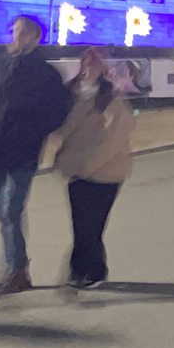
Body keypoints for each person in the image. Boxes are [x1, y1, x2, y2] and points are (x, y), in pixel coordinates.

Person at [0, 15, 72, 297]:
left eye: (23, 33)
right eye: (15, 31)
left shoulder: (45, 74)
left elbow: (58, 111)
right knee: (2, 211)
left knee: (11, 210)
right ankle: (14, 266)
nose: (17, 37)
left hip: (24, 152)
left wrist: (33, 131)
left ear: (36, 37)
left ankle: (18, 270)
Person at [52, 46, 134, 289]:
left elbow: (117, 135)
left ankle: (88, 272)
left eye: (96, 63)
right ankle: (84, 271)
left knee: (93, 224)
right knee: (80, 223)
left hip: (107, 170)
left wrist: (91, 164)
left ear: (104, 68)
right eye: (87, 62)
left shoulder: (112, 97)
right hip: (77, 168)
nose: (90, 67)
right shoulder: (70, 94)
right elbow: (60, 128)